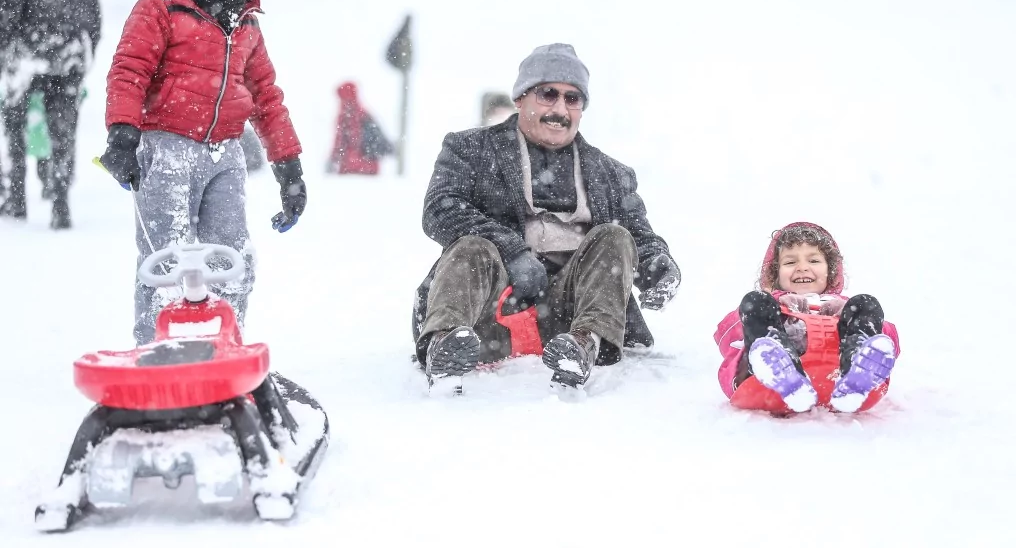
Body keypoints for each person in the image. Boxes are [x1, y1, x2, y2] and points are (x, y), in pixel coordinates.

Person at [412, 43, 679, 390]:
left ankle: (586, 345)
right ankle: (445, 346)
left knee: (615, 237)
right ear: (521, 98)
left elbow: (640, 237)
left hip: (568, 320)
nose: (559, 108)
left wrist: (659, 263)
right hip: (491, 315)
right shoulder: (471, 150)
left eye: (572, 99)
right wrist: (513, 251)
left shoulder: (611, 173)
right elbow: (439, 209)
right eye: (548, 94)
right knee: (472, 245)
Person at [98, 0, 306, 345]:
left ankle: (224, 346)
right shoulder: (162, 9)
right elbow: (129, 71)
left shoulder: (246, 26)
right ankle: (156, 348)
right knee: (167, 261)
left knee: (229, 257)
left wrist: (289, 169)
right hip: (166, 146)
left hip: (225, 155)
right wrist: (122, 134)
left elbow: (267, 97)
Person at [714, 222, 901, 413]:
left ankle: (858, 372)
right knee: (755, 300)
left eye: (813, 261)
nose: (802, 268)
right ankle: (779, 367)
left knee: (866, 302)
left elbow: (890, 341)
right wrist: (777, 303)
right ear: (775, 274)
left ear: (831, 271)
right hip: (761, 383)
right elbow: (726, 335)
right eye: (790, 262)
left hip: (836, 374)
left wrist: (848, 314)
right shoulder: (771, 303)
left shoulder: (847, 306)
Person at [0, 0, 100, 228]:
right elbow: (93, 13)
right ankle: (60, 203)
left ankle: (15, 199)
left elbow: (6, 9)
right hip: (68, 55)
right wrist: (83, 55)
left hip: (25, 55)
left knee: (14, 127)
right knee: (62, 131)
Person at [326, 81, 393, 175]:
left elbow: (340, 141)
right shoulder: (364, 114)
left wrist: (333, 158)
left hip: (352, 168)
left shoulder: (346, 115)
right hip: (370, 167)